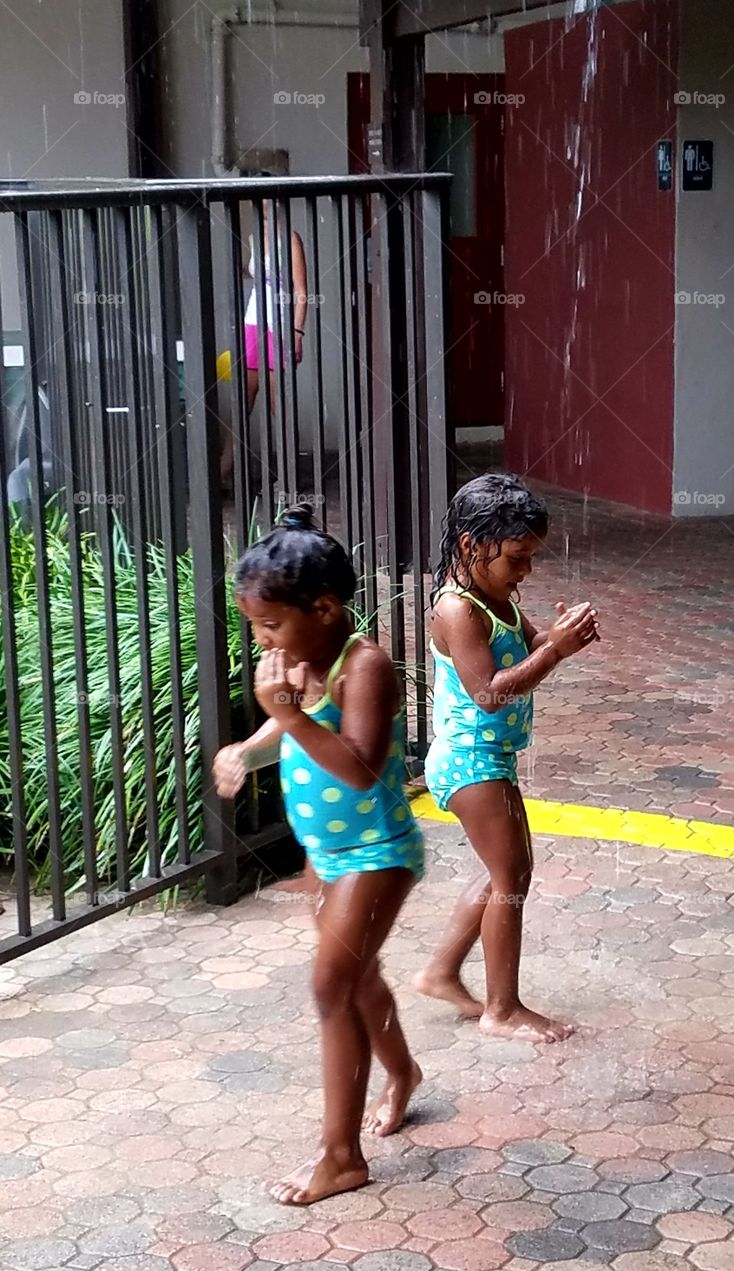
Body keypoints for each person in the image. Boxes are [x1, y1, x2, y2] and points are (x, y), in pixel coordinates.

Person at [212, 504, 424, 1205]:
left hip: (376, 852)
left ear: (325, 607)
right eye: (254, 627)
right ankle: (402, 1074)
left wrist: (291, 714)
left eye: (270, 625)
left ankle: (341, 1157)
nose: (261, 640)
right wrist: (250, 747)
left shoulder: (362, 666)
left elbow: (360, 765)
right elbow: (292, 736)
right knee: (359, 981)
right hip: (329, 854)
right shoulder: (307, 665)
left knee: (331, 987)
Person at [416, 474, 600, 1044]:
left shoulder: (494, 597)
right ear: (474, 544)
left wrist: (564, 638)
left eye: (530, 559)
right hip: (469, 759)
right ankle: (502, 1010)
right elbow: (491, 691)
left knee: (504, 872)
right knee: (512, 876)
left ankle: (440, 972)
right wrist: (555, 651)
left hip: (488, 756)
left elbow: (536, 642)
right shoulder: (457, 611)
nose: (525, 571)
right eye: (517, 558)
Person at [220, 197, 308, 488]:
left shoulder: (290, 239)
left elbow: (301, 292)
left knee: (278, 406)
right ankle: (224, 474)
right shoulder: (254, 237)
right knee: (242, 403)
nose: (265, 205)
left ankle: (288, 478)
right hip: (252, 323)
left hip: (278, 326)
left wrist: (296, 333)